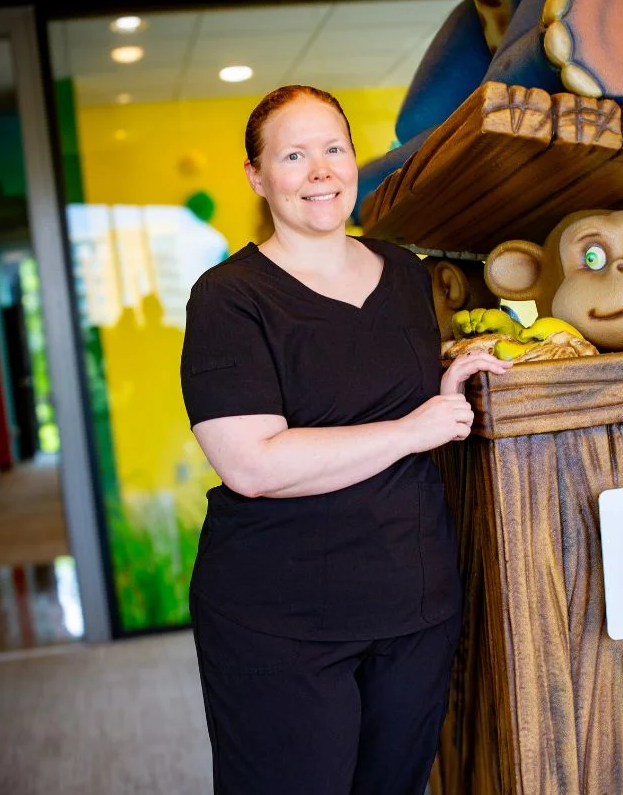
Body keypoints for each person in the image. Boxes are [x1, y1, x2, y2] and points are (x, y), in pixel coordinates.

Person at [180, 84, 512, 795]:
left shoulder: (404, 274)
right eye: (294, 155)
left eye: (334, 148)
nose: (320, 170)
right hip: (282, 619)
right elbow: (252, 464)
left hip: (414, 604)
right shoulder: (230, 298)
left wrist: (446, 383)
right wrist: (413, 429)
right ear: (257, 176)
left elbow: (382, 383)